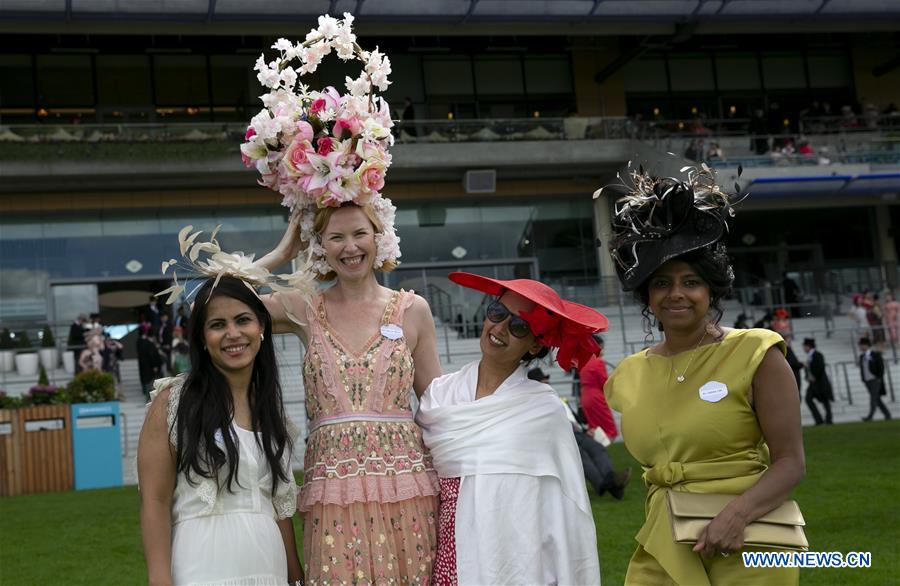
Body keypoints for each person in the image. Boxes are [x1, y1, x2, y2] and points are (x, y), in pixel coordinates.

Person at [238, 19, 443, 582]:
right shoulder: (303, 307)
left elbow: (441, 409)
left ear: (380, 237)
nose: (350, 246)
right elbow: (219, 296)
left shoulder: (413, 309)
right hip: (331, 495)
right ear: (320, 245)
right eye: (335, 236)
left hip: (409, 493)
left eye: (360, 233)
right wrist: (284, 248)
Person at [599, 164, 805, 584]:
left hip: (750, 538)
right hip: (663, 536)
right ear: (648, 297)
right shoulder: (628, 374)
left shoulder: (756, 352)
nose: (676, 293)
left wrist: (737, 515)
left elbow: (790, 462)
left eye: (690, 281)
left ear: (711, 291)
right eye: (661, 284)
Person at [417, 273, 606, 585]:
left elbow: (564, 505)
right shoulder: (440, 394)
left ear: (534, 345)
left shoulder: (543, 410)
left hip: (514, 555)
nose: (500, 328)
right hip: (445, 548)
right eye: (498, 313)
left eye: (519, 327)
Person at [137, 276, 303, 586]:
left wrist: (296, 577)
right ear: (201, 336)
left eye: (243, 320)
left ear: (262, 327)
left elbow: (280, 508)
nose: (233, 334)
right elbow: (154, 500)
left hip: (270, 567)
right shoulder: (174, 401)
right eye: (217, 325)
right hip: (203, 566)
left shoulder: (270, 408)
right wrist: (159, 578)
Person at [529, 365, 633, 502]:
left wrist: (585, 429)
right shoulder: (534, 404)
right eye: (543, 381)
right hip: (561, 437)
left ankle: (609, 479)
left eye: (546, 381)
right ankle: (606, 485)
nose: (547, 383)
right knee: (582, 456)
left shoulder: (557, 399)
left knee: (597, 447)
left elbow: (573, 418)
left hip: (578, 433)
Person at [578, 334, 619, 443]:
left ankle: (597, 453)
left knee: (595, 428)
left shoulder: (584, 361)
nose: (603, 350)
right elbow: (604, 382)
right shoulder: (598, 361)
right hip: (596, 396)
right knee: (609, 430)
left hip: (585, 396)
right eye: (601, 347)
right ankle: (603, 454)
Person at [858, 337, 892, 421]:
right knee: (877, 399)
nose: (861, 347)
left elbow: (881, 367)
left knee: (873, 398)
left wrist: (879, 378)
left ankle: (870, 416)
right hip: (867, 380)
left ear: (867, 345)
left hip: (875, 379)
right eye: (860, 345)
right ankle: (887, 414)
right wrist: (863, 379)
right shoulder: (862, 356)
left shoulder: (875, 355)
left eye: (863, 345)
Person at [802, 337, 834, 425]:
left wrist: (814, 376)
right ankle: (818, 420)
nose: (804, 348)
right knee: (808, 399)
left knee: (825, 401)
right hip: (813, 383)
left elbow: (820, 367)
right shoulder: (809, 356)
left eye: (804, 346)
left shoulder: (817, 355)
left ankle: (828, 420)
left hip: (820, 382)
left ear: (809, 346)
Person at [137, 324, 164, 401]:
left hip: (145, 366)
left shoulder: (140, 341)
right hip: (150, 367)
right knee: (152, 384)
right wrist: (155, 365)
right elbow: (152, 355)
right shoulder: (148, 342)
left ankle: (149, 399)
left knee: (148, 384)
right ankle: (151, 399)